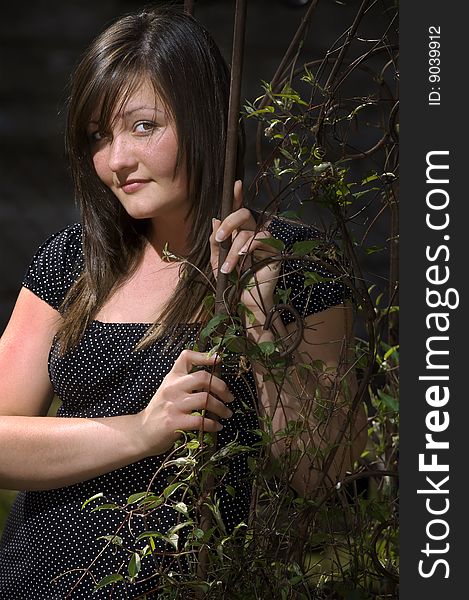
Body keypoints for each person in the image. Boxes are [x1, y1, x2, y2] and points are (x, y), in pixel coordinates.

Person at [0, 5, 366, 598]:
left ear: (206, 121)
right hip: (36, 579)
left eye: (143, 126)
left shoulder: (293, 264)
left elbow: (324, 474)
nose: (116, 160)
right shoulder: (76, 258)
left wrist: (262, 325)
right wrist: (140, 432)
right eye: (99, 136)